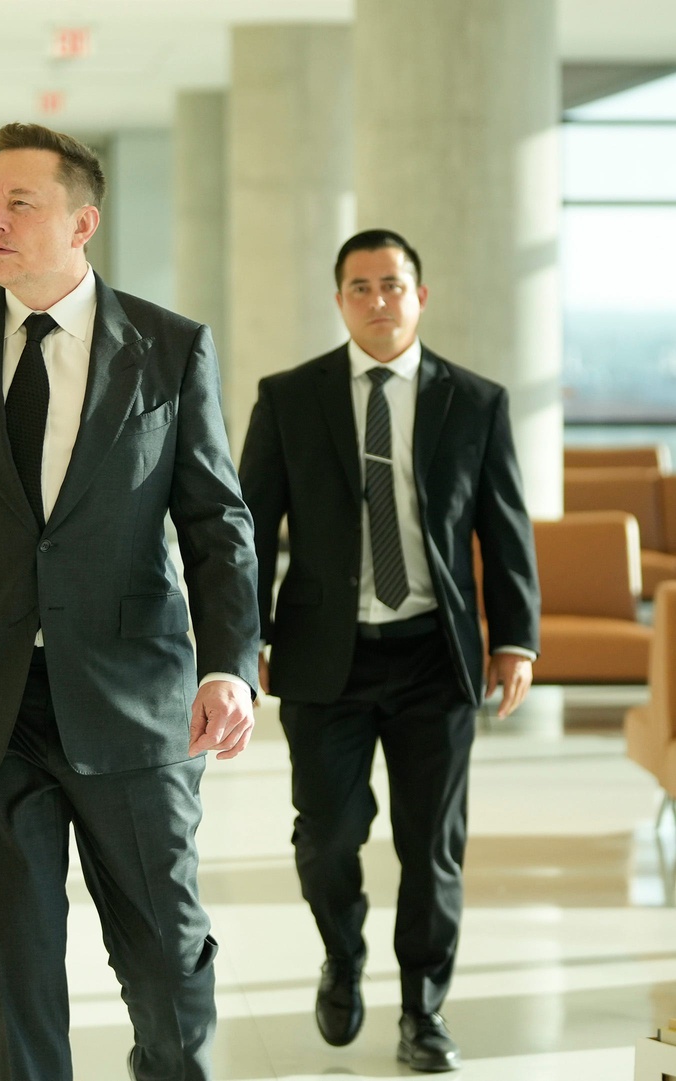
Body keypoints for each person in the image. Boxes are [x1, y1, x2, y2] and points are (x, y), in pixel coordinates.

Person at [0, 122, 261, 1081]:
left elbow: (217, 521)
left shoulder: (169, 348)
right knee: (16, 973)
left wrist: (228, 664)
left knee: (165, 957)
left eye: (19, 204)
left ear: (82, 222)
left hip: (133, 701)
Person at [238, 229, 540, 1073]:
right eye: (360, 287)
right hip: (324, 657)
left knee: (430, 843)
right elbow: (250, 527)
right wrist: (243, 635)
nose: (378, 300)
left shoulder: (474, 401)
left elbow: (503, 530)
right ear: (340, 300)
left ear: (420, 295)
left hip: (433, 656)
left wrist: (514, 638)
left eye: (393, 285)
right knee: (327, 835)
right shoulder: (290, 397)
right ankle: (343, 950)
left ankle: (423, 1010)